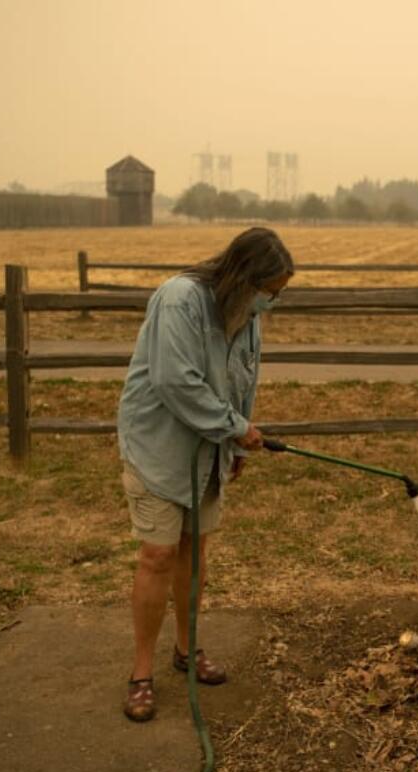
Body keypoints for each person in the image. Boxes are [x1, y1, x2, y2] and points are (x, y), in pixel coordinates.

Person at [117, 227, 294, 722]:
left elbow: (244, 379)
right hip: (158, 446)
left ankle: (186, 651)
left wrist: (238, 446)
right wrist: (234, 428)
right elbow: (176, 381)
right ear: (244, 277)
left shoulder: (247, 317)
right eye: (269, 292)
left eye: (277, 295)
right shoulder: (180, 301)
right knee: (158, 553)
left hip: (210, 448)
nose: (271, 302)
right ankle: (141, 673)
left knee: (195, 548)